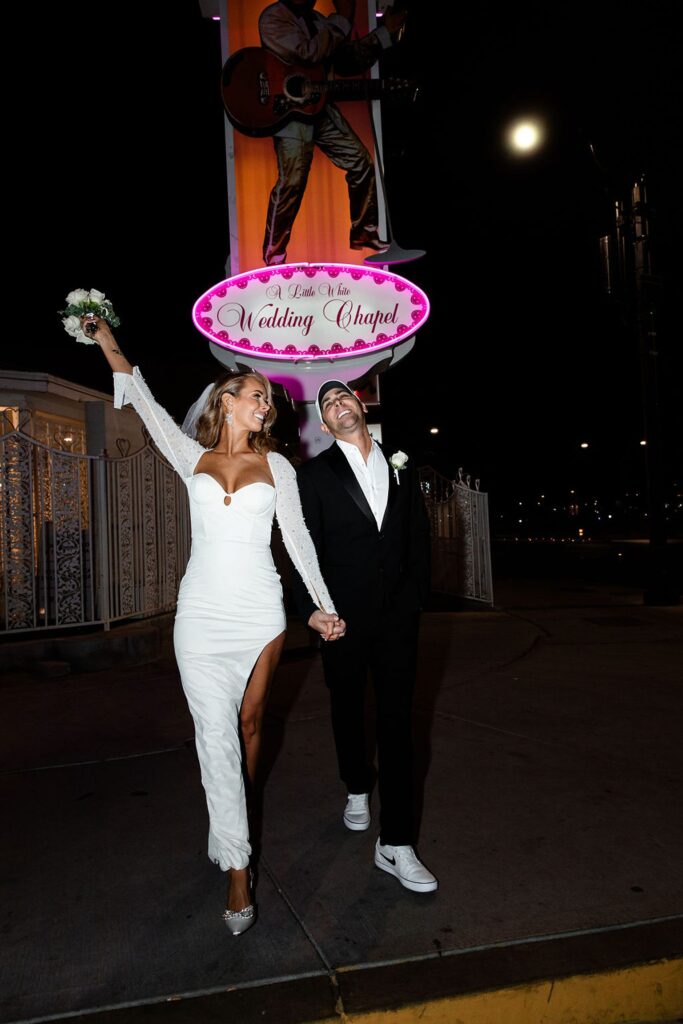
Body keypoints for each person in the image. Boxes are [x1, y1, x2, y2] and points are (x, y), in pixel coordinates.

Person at [81, 314, 345, 934]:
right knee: (214, 737)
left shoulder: (278, 468)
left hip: (260, 611)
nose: (267, 405)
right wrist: (103, 338)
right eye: (258, 394)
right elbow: (142, 400)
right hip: (199, 614)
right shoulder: (190, 456)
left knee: (250, 724)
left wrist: (323, 604)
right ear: (226, 401)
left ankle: (230, 819)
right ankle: (236, 867)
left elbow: (299, 541)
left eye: (270, 400)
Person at [291, 380, 437, 892]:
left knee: (399, 723)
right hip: (343, 619)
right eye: (327, 404)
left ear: (361, 407)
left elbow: (416, 534)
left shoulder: (401, 466)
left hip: (399, 619)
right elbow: (301, 551)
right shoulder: (312, 476)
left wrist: (417, 596)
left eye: (343, 397)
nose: (337, 405)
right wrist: (313, 610)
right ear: (325, 425)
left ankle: (395, 843)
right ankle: (356, 784)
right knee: (348, 708)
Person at [258, 0, 406, 266]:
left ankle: (364, 232)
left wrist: (385, 33)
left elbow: (346, 60)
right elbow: (307, 53)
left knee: (361, 161)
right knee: (292, 182)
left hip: (319, 106)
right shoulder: (274, 17)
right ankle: (274, 255)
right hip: (290, 112)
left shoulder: (317, 21)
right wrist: (344, 18)